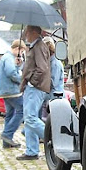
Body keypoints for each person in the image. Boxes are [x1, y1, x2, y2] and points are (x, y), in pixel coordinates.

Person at [17, 25, 51, 160]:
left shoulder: (39, 46)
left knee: (30, 118)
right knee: (29, 119)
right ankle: (31, 150)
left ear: (34, 32)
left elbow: (42, 69)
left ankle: (52, 139)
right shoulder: (36, 46)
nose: (25, 34)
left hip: (35, 87)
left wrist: (32, 81)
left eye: (27, 32)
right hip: (33, 87)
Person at [0, 40, 26, 148]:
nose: (21, 54)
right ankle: (7, 135)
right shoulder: (8, 58)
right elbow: (11, 73)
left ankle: (6, 142)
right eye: (21, 52)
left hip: (5, 90)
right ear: (17, 49)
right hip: (11, 91)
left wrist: (18, 65)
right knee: (22, 110)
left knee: (10, 114)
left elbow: (12, 70)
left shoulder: (7, 57)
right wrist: (22, 81)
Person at [41, 36, 65, 120]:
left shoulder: (55, 64)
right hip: (48, 99)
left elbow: (51, 83)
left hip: (54, 100)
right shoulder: (48, 63)